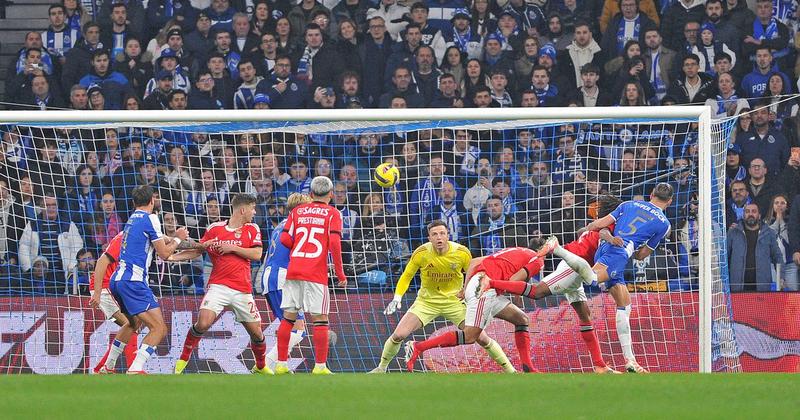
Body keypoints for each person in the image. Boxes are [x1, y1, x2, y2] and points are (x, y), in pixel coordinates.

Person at [477, 195, 623, 373]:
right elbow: (603, 233)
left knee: (585, 316)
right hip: (572, 267)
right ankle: (490, 283)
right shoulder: (608, 226)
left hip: (579, 269)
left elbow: (585, 232)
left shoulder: (598, 224)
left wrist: (588, 233)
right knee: (537, 292)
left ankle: (600, 365)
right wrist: (611, 239)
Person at [369, 220, 514, 374]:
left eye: (442, 233)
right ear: (429, 238)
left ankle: (511, 371)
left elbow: (473, 274)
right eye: (435, 234)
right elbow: (406, 276)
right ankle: (381, 368)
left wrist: (474, 295)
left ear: (447, 235)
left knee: (481, 338)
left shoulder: (461, 253)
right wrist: (397, 297)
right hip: (427, 302)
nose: (439, 237)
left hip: (455, 302)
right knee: (398, 335)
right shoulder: (421, 253)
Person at [171, 194, 270, 375]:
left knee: (256, 333)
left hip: (243, 290)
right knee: (203, 323)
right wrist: (172, 257)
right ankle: (182, 361)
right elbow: (198, 250)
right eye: (252, 208)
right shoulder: (215, 228)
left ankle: (261, 366)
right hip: (219, 286)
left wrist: (232, 248)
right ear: (243, 209)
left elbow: (257, 254)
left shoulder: (252, 229)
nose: (254, 212)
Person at [583, 183, 674, 372]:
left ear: (651, 194)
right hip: (619, 254)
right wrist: (632, 247)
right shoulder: (664, 224)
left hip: (604, 248)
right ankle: (562, 258)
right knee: (590, 279)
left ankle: (630, 360)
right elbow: (642, 256)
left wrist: (585, 231)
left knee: (625, 306)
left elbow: (598, 224)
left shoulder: (629, 204)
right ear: (670, 201)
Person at [109, 185, 188, 374]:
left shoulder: (132, 219)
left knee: (134, 323)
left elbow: (160, 240)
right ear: (152, 201)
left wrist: (186, 243)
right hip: (133, 281)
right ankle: (136, 368)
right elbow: (164, 254)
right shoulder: (151, 218)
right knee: (159, 328)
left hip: (118, 280)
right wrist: (178, 238)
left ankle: (108, 366)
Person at [274, 176, 347, 375]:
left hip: (294, 269)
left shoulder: (297, 211)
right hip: (315, 272)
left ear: (311, 194)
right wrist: (340, 273)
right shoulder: (333, 213)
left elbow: (284, 237)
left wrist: (298, 246)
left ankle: (281, 364)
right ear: (331, 195)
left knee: (288, 319)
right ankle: (320, 366)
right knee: (320, 320)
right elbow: (334, 244)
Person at [259, 193, 312, 370]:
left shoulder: (282, 225)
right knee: (297, 330)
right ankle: (265, 365)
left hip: (269, 278)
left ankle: (277, 365)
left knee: (289, 326)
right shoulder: (298, 225)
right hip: (283, 279)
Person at [88, 232, 139, 373]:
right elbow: (102, 261)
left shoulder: (139, 235)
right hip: (104, 287)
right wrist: (97, 293)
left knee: (132, 325)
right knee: (131, 325)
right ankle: (133, 369)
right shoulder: (125, 236)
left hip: (115, 287)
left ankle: (102, 368)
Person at [727, 203, 782, 291]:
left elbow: (777, 257)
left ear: (759, 216)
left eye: (754, 211)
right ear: (743, 215)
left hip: (762, 286)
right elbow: (725, 257)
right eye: (747, 212)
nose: (750, 214)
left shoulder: (769, 233)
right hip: (737, 286)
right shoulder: (733, 233)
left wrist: (781, 278)